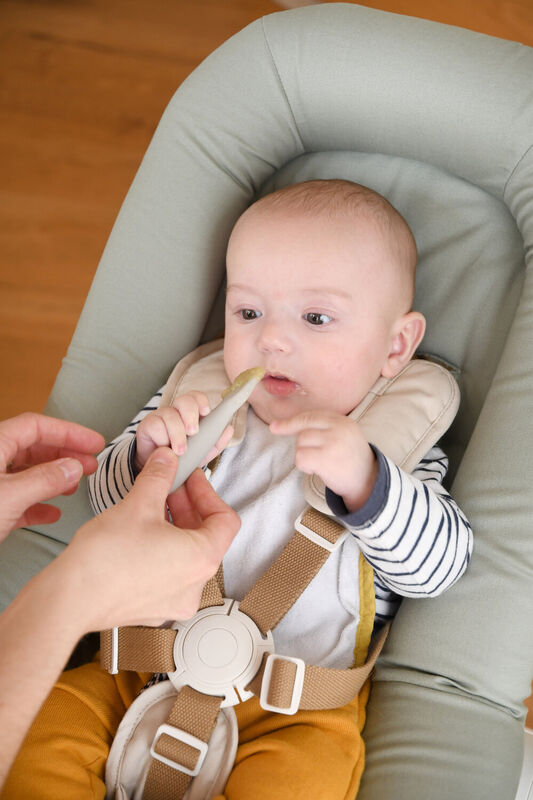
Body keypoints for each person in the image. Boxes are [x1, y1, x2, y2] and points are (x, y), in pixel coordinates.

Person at [2, 180, 473, 799]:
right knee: (44, 734)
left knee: (302, 781)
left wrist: (365, 484)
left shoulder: (396, 449)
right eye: (248, 312)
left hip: (292, 710)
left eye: (315, 318)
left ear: (394, 347)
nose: (271, 339)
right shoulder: (200, 405)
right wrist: (150, 454)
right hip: (138, 671)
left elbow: (440, 569)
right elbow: (110, 510)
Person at [0, 413, 240, 791]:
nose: (274, 348)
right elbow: (105, 500)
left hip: (283, 710)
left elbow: (373, 593)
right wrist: (142, 461)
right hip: (133, 671)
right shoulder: (197, 397)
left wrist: (363, 489)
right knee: (41, 742)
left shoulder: (367, 452)